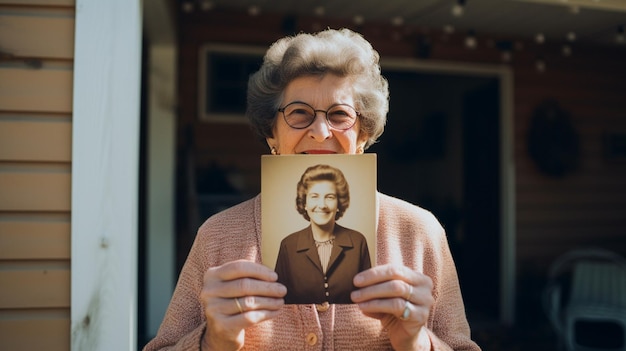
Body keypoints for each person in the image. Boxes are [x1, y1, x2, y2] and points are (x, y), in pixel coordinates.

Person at [144, 28, 481, 351]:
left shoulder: (418, 232)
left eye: (339, 115)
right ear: (272, 134)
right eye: (299, 113)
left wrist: (417, 343)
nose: (320, 131)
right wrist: (212, 342)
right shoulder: (217, 236)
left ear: (363, 136)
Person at [274, 164, 372, 305]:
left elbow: (366, 297)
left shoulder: (358, 241)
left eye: (330, 197)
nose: (322, 205)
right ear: (304, 202)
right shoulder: (288, 245)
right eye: (314, 196)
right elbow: (280, 300)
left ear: (339, 203)